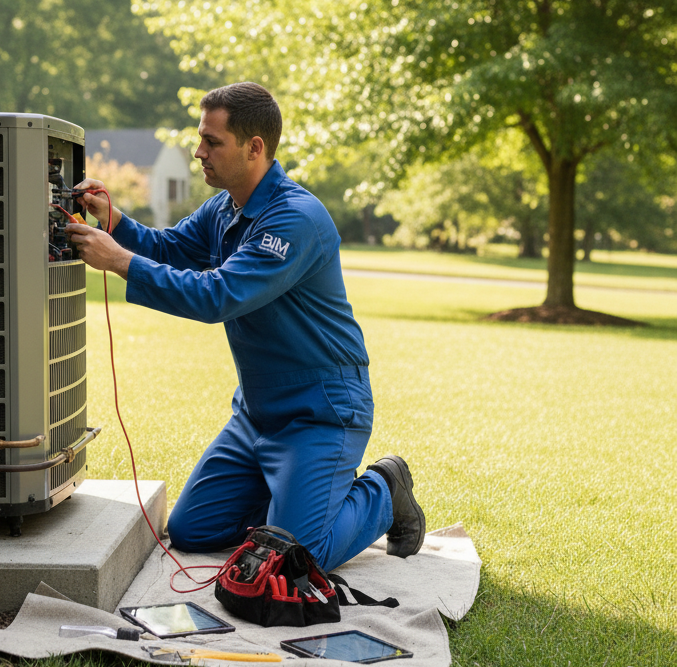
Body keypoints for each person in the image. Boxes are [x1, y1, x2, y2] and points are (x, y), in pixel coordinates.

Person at [67, 81, 424, 571]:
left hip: (319, 413)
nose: (199, 153)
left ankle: (384, 489)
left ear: (255, 148)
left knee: (300, 557)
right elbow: (171, 248)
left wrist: (120, 261)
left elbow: (219, 296)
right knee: (192, 531)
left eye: (212, 142)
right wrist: (116, 221)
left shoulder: (294, 219)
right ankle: (289, 510)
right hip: (255, 414)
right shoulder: (226, 206)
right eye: (200, 139)